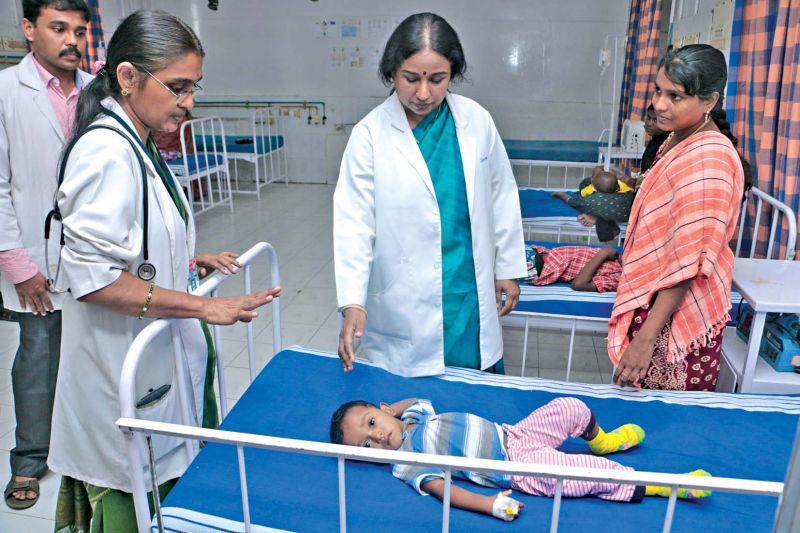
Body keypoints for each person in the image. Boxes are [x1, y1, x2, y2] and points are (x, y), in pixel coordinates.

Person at [45, 10, 280, 531]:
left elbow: (129, 243)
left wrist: (186, 261)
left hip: (152, 358)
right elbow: (96, 279)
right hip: (120, 369)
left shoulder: (139, 139)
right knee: (134, 497)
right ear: (128, 78)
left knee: (167, 478)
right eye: (177, 87)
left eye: (193, 87)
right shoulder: (107, 150)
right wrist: (204, 305)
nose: (189, 103)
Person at [333, 13, 526, 377]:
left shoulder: (476, 120)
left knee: (474, 387)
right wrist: (353, 301)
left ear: (452, 74)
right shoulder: (369, 135)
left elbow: (502, 194)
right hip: (403, 294)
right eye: (411, 79)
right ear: (392, 73)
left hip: (468, 282)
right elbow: (353, 224)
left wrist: (509, 267)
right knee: (407, 404)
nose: (423, 93)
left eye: (437, 80)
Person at [608, 44, 751, 391]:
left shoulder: (711, 161)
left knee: (663, 424)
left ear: (709, 101)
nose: (659, 104)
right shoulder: (675, 138)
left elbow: (688, 260)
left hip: (672, 316)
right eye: (658, 90)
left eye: (675, 96)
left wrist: (645, 339)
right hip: (654, 301)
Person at [330, 397, 711, 522]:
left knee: (569, 407)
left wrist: (389, 409)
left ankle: (603, 441)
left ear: (383, 410)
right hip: (515, 468)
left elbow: (409, 399)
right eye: (366, 446)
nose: (377, 437)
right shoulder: (406, 462)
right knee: (584, 474)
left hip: (515, 433)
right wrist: (488, 504)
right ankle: (667, 483)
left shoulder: (412, 416)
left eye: (372, 422)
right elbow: (443, 490)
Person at [0, 0, 93, 510]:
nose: (71, 40)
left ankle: (84, 447)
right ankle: (30, 460)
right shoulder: (6, 93)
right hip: (35, 258)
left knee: (94, 353)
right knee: (38, 356)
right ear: (29, 29)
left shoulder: (94, 93)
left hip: (94, 257)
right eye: (59, 28)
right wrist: (18, 264)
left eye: (79, 30)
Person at [524, 244, 621, 292]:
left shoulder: (618, 279)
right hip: (542, 253)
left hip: (542, 267)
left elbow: (578, 285)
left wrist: (603, 253)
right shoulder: (618, 258)